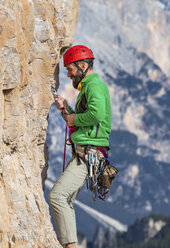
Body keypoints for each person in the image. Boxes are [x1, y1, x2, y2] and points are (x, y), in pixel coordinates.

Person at [48, 45, 112, 248]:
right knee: (65, 200)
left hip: (89, 153)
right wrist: (66, 109)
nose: (68, 74)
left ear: (83, 65)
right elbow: (80, 121)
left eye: (71, 69)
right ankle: (70, 244)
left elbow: (97, 115)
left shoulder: (95, 86)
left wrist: (74, 116)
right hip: (86, 151)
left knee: (57, 196)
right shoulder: (89, 87)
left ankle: (70, 246)